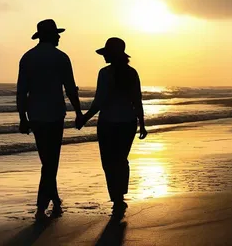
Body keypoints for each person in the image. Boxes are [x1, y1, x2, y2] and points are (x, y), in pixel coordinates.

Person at [16, 19, 82, 220]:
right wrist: (78, 113)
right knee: (51, 161)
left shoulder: (27, 58)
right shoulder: (61, 57)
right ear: (50, 36)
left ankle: (54, 200)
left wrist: (22, 118)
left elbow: (21, 92)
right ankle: (41, 205)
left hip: (35, 115)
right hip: (54, 115)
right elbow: (70, 88)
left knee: (48, 160)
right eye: (57, 34)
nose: (59, 37)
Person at [76, 37, 147, 217]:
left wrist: (85, 118)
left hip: (108, 123)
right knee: (121, 160)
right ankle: (120, 197)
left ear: (111, 54)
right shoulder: (132, 72)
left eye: (106, 53)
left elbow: (99, 101)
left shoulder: (105, 73)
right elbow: (137, 100)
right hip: (128, 123)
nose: (103, 57)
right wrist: (142, 124)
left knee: (108, 162)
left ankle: (116, 198)